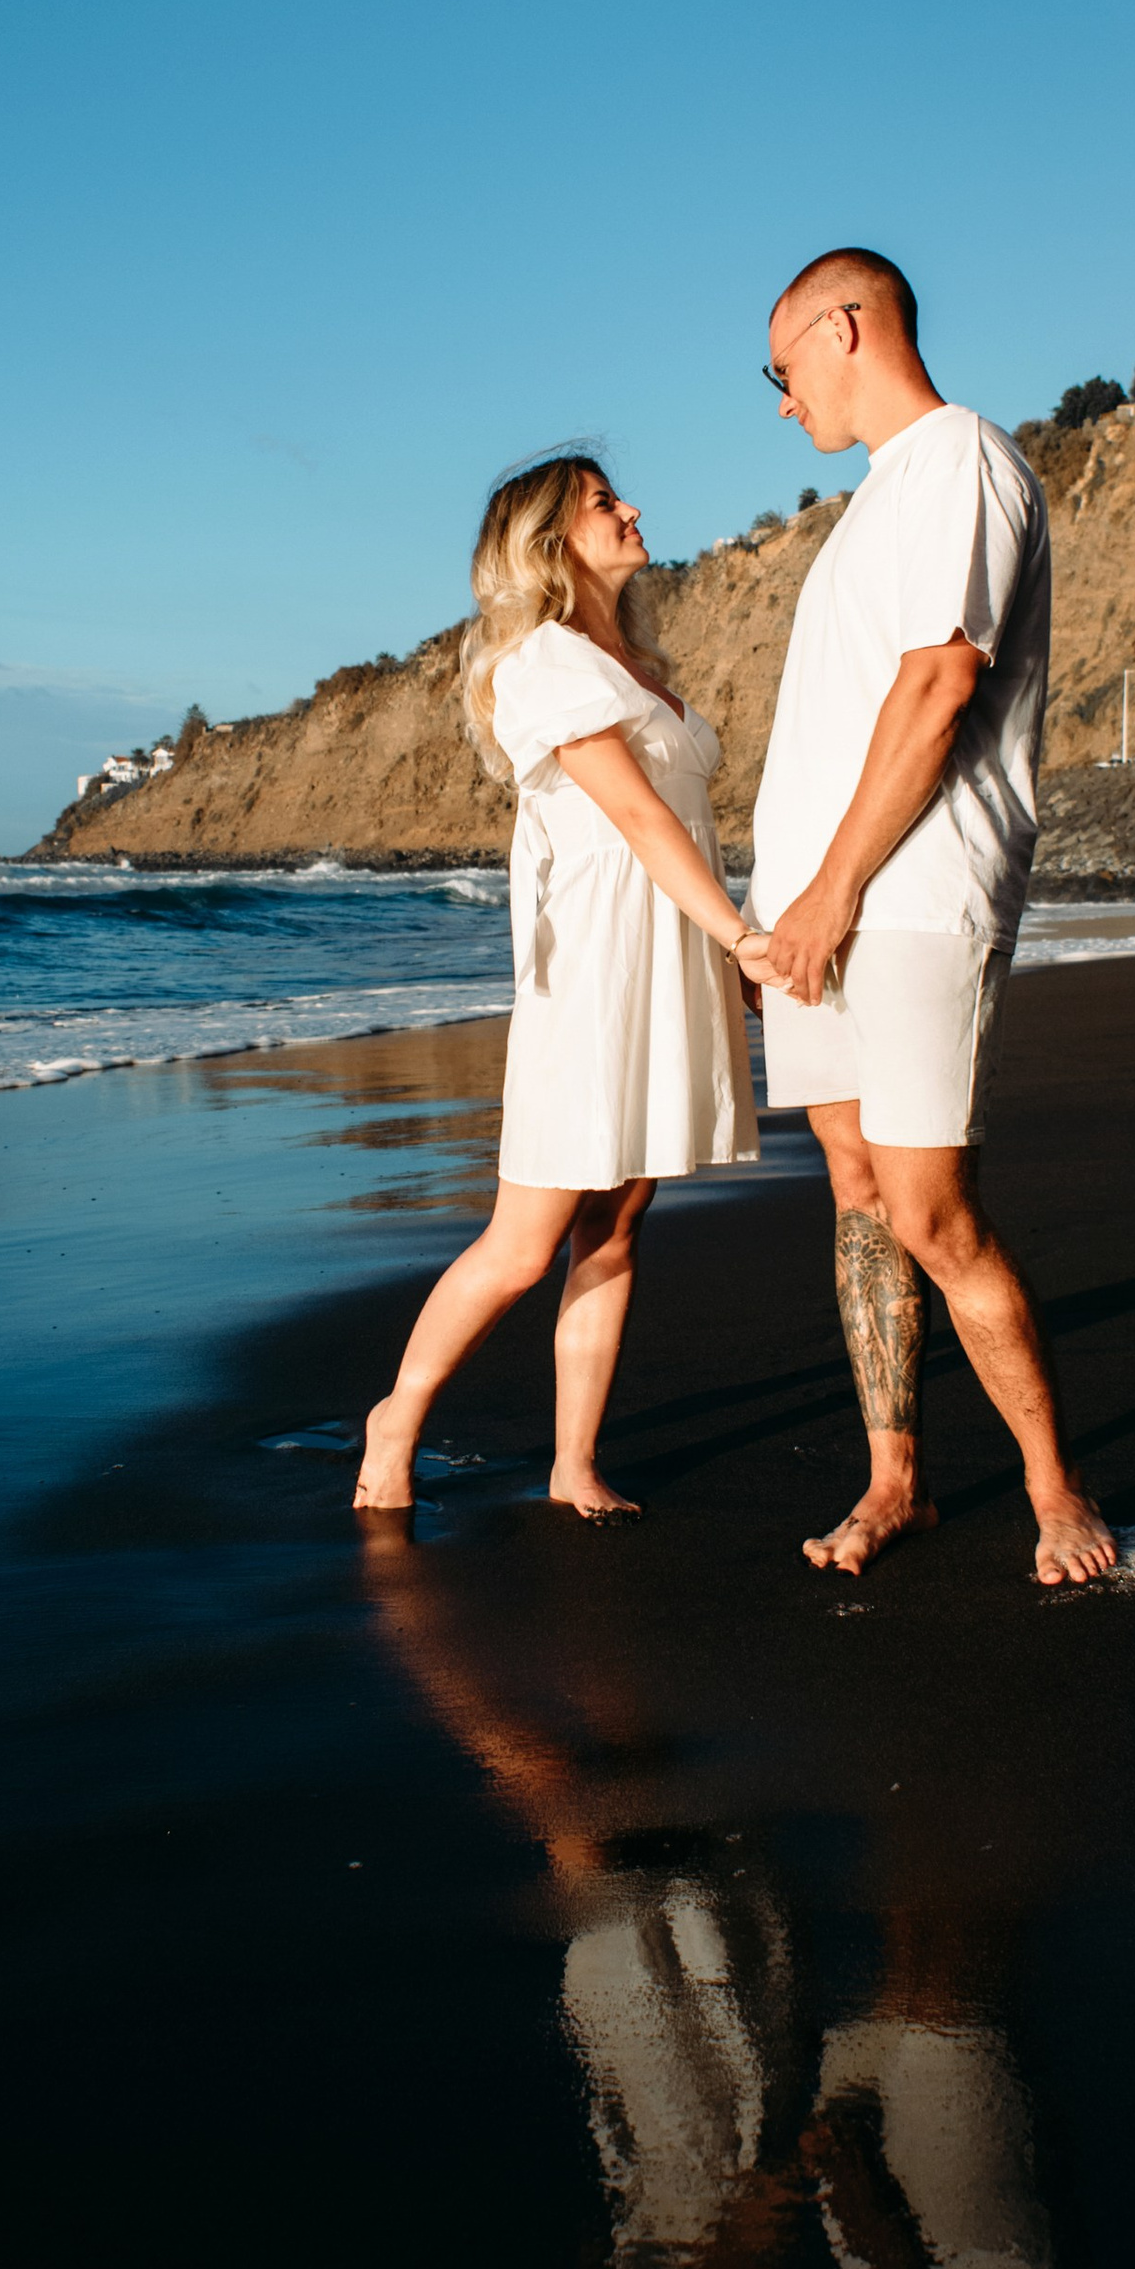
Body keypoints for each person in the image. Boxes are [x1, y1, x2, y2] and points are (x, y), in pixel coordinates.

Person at [741, 248, 1123, 1585]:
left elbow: (938, 686)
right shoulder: (873, 504)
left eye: (781, 368)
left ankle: (1055, 1492)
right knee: (857, 1194)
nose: (782, 401)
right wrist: (775, 916)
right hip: (821, 919)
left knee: (933, 1210)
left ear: (843, 328)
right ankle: (894, 1480)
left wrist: (831, 895)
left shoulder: (960, 457)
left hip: (907, 900)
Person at [354, 452, 766, 1519]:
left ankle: (574, 1463)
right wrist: (743, 933)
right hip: (593, 968)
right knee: (525, 1240)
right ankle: (395, 1416)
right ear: (548, 542)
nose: (631, 509)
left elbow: (687, 828)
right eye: (602, 503)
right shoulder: (542, 661)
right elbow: (635, 818)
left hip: (666, 951)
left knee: (618, 1229)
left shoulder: (632, 659)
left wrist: (722, 952)